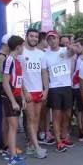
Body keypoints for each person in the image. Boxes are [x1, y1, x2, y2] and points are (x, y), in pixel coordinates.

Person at [42, 31, 75, 152]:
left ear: (58, 39)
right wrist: (46, 89)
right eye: (49, 39)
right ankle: (58, 141)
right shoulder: (45, 55)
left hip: (67, 86)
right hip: (54, 88)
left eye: (54, 38)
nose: (52, 41)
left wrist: (70, 46)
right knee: (56, 116)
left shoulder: (65, 51)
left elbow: (73, 52)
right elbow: (44, 73)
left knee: (67, 114)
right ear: (48, 41)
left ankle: (64, 136)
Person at [19, 29, 47, 158]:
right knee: (30, 119)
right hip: (27, 91)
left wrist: (46, 89)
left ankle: (31, 145)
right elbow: (19, 74)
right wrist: (24, 91)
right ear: (27, 37)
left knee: (36, 119)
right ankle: (36, 147)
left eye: (36, 37)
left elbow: (44, 72)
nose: (34, 38)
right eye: (31, 36)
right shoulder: (21, 52)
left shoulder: (41, 54)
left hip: (39, 90)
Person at [2, 35, 26, 165]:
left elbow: (19, 81)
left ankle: (12, 153)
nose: (23, 48)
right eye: (22, 46)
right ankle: (12, 157)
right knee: (13, 127)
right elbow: (5, 83)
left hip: (16, 96)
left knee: (14, 126)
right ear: (18, 47)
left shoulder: (16, 60)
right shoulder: (9, 60)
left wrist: (21, 97)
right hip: (10, 97)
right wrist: (13, 101)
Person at [72, 38, 83, 141]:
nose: (76, 48)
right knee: (79, 109)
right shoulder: (79, 58)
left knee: (82, 109)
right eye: (75, 46)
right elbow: (77, 74)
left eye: (78, 46)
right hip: (77, 86)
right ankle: (81, 129)